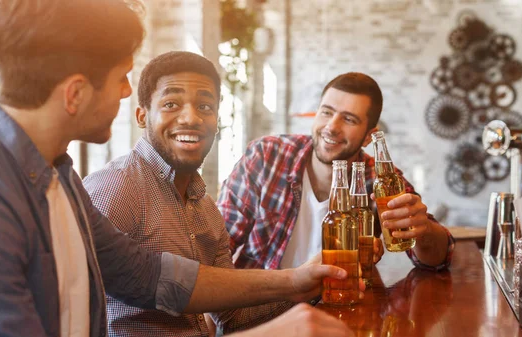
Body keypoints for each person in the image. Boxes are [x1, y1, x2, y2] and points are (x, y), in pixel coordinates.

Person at [0, 1, 354, 337]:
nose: (127, 92)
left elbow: (149, 275)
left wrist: (295, 280)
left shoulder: (61, 178)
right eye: (121, 77)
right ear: (75, 93)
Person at [83, 51, 354, 336]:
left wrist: (313, 283)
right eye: (171, 104)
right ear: (141, 116)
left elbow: (234, 316)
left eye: (205, 106)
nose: (191, 118)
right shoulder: (115, 188)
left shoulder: (205, 208)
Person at [218, 72, 455, 271]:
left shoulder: (378, 178)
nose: (332, 127)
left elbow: (437, 260)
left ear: (369, 136)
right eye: (326, 112)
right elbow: (218, 244)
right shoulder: (267, 156)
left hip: (338, 312)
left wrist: (422, 230)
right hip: (260, 312)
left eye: (349, 119)